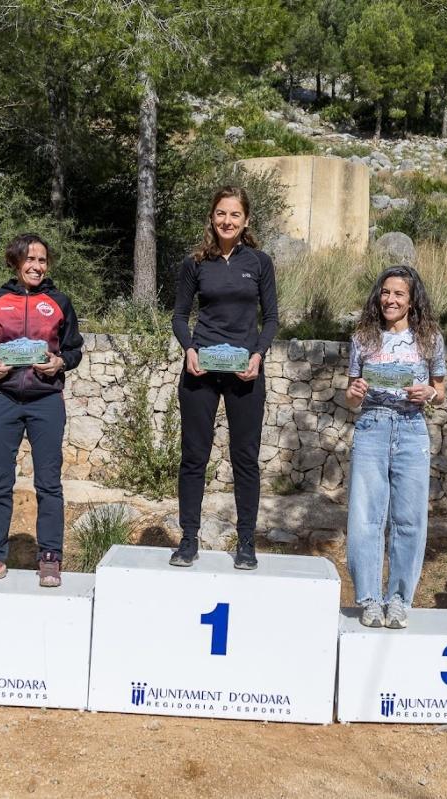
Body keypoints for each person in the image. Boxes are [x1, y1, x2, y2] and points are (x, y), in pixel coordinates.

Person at [0, 233, 83, 587]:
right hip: (4, 399)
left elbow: (75, 350)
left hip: (47, 400)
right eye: (30, 260)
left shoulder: (60, 301)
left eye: (42, 260)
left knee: (48, 482)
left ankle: (49, 557)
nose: (36, 266)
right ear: (16, 263)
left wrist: (60, 363)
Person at [170, 186, 278, 570]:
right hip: (201, 371)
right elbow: (180, 317)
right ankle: (188, 540)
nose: (227, 221)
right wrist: (189, 349)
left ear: (246, 220)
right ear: (211, 218)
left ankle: (246, 542)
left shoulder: (260, 262)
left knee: (245, 458)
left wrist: (258, 354)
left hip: (245, 373)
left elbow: (273, 319)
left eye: (234, 215)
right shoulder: (195, 263)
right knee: (193, 457)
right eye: (220, 214)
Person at [344, 265, 446, 628]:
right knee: (365, 518)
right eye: (386, 292)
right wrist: (353, 393)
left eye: (399, 294)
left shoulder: (430, 338)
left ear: (412, 299)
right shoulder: (362, 338)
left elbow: (441, 390)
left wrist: (430, 393)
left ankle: (399, 600)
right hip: (372, 426)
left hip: (412, 428)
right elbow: (353, 393)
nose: (390, 299)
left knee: (409, 520)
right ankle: (369, 599)